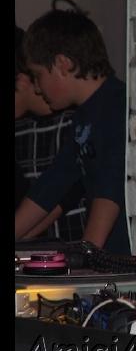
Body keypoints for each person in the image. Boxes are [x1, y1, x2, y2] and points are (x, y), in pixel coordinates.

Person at [15, 9, 131, 256]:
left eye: (38, 76)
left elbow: (112, 184)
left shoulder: (117, 104)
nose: (37, 88)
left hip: (123, 257)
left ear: (62, 64)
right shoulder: (83, 115)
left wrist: (87, 253)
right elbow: (54, 182)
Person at [15, 22, 88, 241]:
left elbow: (69, 188)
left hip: (74, 246)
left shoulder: (76, 120)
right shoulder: (20, 128)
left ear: (22, 80)